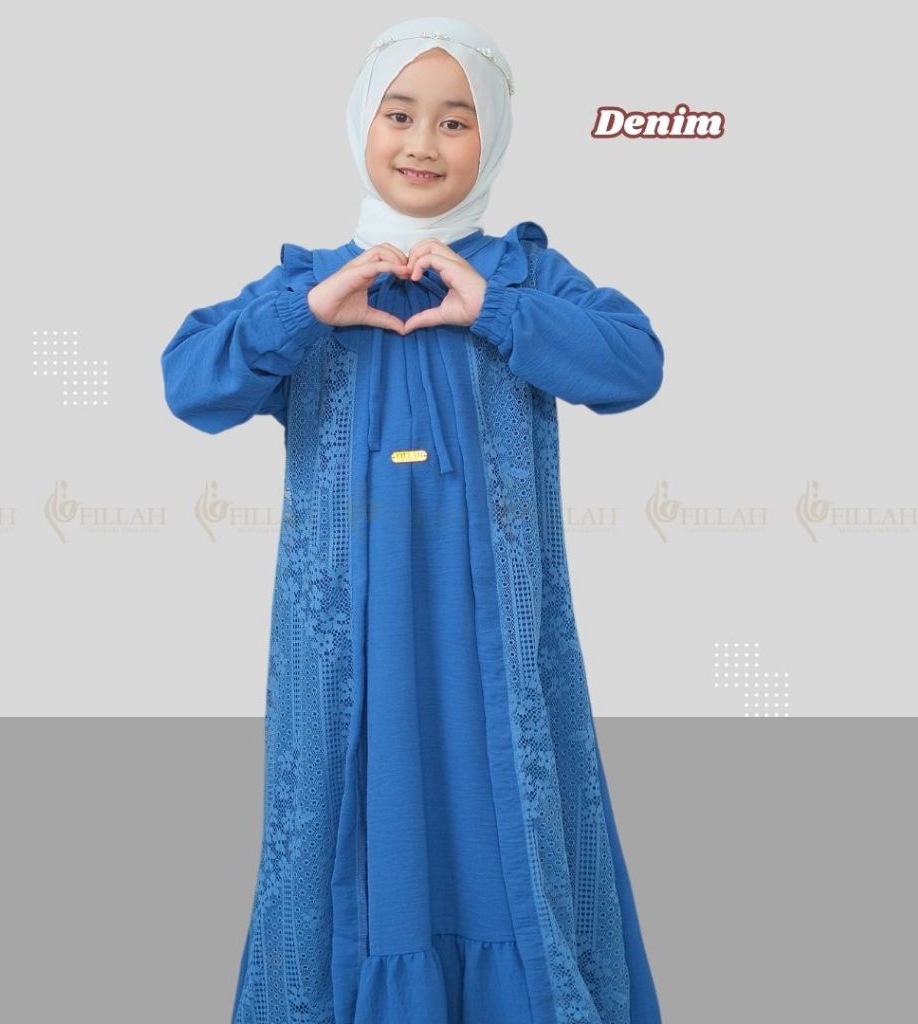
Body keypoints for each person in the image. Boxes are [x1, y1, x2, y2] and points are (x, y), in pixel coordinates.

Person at [161, 16, 664, 1024]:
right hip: (346, 650)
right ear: (362, 122)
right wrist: (307, 312)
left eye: (454, 121)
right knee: (350, 833)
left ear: (494, 137)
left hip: (499, 651)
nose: (422, 144)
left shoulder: (521, 275)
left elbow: (633, 364)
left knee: (507, 826)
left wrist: (496, 310)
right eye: (399, 115)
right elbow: (189, 381)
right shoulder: (312, 281)